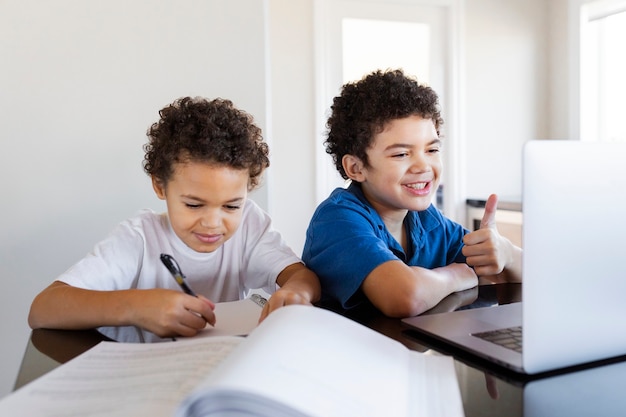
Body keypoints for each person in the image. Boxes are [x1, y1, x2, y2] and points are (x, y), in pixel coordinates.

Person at [29, 96, 321, 338]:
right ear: (160, 185)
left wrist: (296, 292)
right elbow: (43, 308)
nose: (212, 223)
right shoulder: (138, 239)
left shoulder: (249, 225)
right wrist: (134, 306)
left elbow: (300, 276)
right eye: (194, 205)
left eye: (231, 206)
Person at [302, 69, 521, 318]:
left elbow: (522, 276)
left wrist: (507, 253)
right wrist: (457, 274)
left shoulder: (428, 220)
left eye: (431, 150)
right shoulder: (337, 219)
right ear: (356, 167)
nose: (423, 166)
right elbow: (407, 296)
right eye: (401, 154)